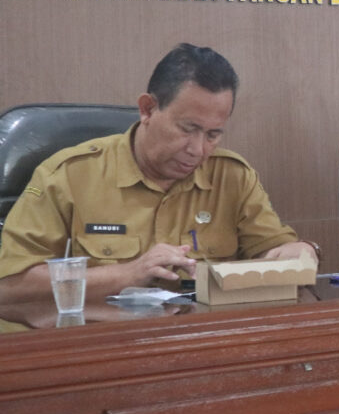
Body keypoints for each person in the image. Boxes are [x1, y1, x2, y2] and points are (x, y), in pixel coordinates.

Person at [0, 43, 317, 304]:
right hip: (101, 345)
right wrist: (127, 274)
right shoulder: (69, 175)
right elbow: (9, 285)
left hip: (205, 344)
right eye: (188, 129)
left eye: (213, 134)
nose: (198, 149)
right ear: (148, 109)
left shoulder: (232, 177)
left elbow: (274, 249)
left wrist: (300, 252)